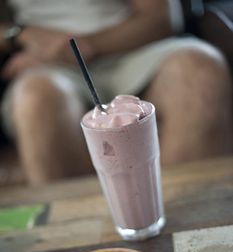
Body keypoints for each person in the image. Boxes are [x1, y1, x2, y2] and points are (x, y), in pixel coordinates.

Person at [0, 0, 232, 185]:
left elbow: (161, 18)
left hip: (137, 46)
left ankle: (185, 223)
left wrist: (83, 45)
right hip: (47, 63)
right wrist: (17, 34)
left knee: (200, 71)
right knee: (36, 98)